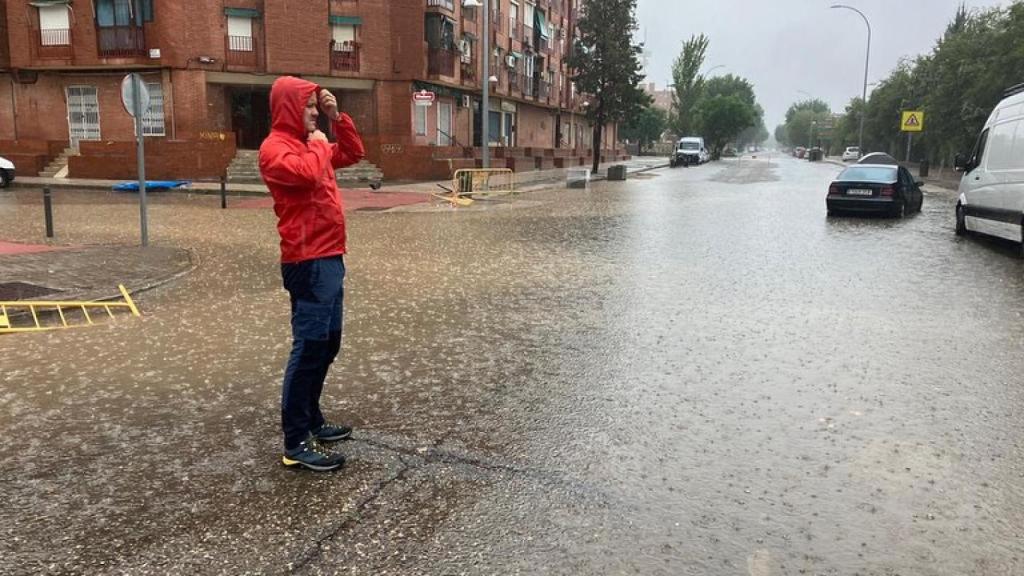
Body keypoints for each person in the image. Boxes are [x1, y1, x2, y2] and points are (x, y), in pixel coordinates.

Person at [259, 76, 366, 472]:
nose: (314, 115)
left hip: (331, 256)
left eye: (316, 109)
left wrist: (337, 119)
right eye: (308, 108)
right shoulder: (276, 150)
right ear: (289, 108)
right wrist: (321, 143)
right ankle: (295, 440)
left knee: (328, 344)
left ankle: (313, 419)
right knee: (308, 348)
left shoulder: (311, 144)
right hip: (307, 261)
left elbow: (354, 153)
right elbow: (305, 175)